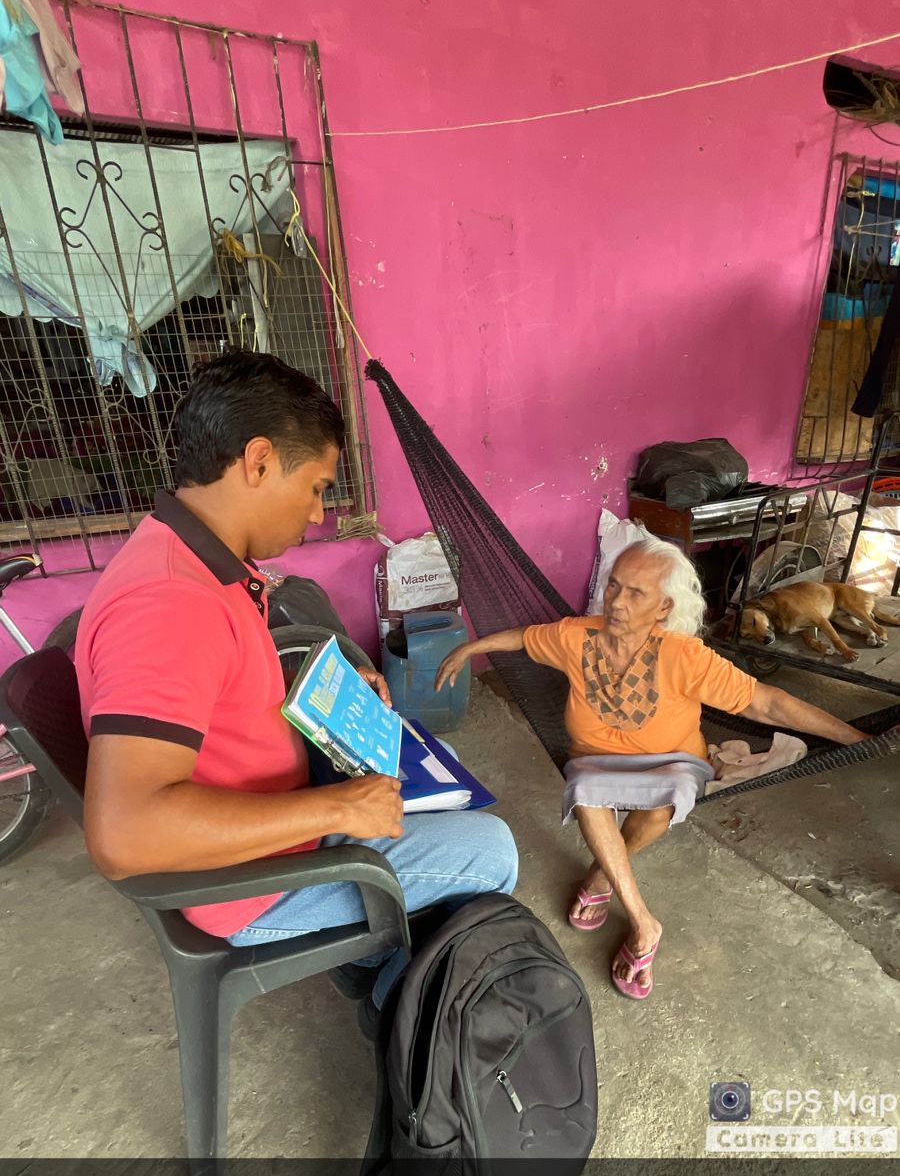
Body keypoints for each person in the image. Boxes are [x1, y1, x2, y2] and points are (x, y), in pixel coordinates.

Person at [76, 351, 517, 1036]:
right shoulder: (169, 603)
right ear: (257, 462)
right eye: (315, 487)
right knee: (492, 852)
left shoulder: (190, 555)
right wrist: (337, 806)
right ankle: (401, 1020)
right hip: (249, 883)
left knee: (428, 779)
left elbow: (212, 690)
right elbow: (124, 833)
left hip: (275, 820)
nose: (316, 513)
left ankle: (375, 958)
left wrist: (326, 695)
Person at [436, 534, 866, 1003]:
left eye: (636, 593)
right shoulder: (576, 637)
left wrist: (857, 739)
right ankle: (643, 922)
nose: (617, 602)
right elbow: (524, 636)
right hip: (595, 761)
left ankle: (601, 877)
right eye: (614, 586)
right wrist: (470, 648)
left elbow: (768, 703)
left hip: (674, 762)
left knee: (662, 806)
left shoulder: (683, 656)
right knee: (586, 790)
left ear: (663, 608)